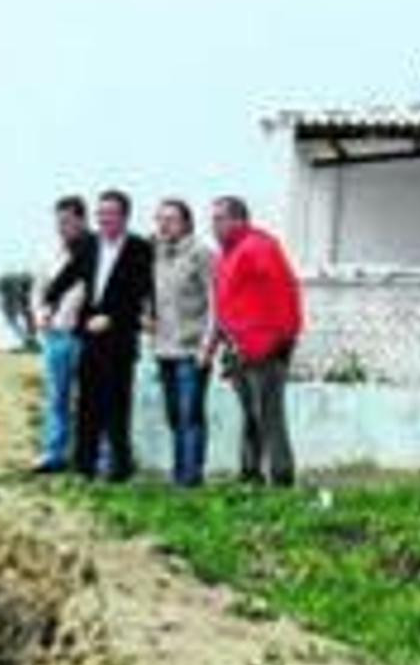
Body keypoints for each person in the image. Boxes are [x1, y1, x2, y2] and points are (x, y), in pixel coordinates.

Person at [206, 195, 303, 487]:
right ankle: (250, 475)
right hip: (239, 348)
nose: (214, 226)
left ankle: (281, 478)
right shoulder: (228, 254)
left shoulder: (259, 247)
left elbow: (286, 295)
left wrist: (280, 341)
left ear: (240, 220)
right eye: (213, 220)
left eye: (220, 219)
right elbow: (227, 303)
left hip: (265, 348)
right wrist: (220, 342)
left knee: (269, 417)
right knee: (250, 416)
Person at [72, 189, 154, 484]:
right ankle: (84, 466)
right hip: (91, 337)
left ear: (124, 216)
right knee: (87, 405)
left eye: (110, 213)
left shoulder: (139, 247)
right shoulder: (89, 244)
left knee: (117, 406)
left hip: (119, 338)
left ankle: (120, 468)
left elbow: (140, 292)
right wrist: (47, 302)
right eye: (100, 213)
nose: (104, 218)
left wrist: (114, 318)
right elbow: (70, 275)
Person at [150, 198, 214, 487]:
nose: (163, 225)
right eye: (160, 219)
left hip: (192, 349)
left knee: (191, 414)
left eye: (171, 219)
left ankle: (190, 476)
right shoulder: (157, 255)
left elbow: (216, 303)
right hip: (164, 348)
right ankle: (179, 473)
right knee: (174, 416)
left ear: (187, 223)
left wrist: (208, 345)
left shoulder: (202, 253)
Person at [30, 196, 92, 475]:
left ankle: (93, 456)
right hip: (56, 335)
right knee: (57, 396)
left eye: (67, 221)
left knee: (90, 398)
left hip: (88, 336)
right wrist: (40, 315)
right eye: (58, 222)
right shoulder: (49, 255)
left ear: (82, 220)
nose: (62, 227)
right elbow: (37, 292)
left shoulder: (99, 252)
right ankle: (53, 453)